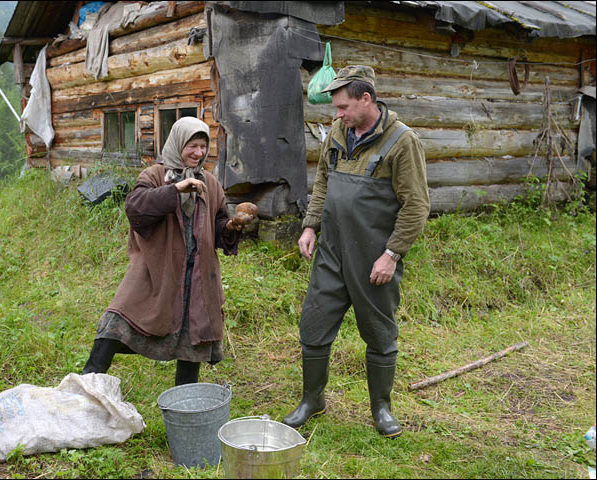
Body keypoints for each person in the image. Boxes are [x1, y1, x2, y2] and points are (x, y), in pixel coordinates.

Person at [282, 66, 430, 438]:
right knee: (313, 325)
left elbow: (416, 205)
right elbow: (323, 179)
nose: (338, 114)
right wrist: (310, 225)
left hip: (373, 258)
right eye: (336, 108)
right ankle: (311, 400)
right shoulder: (338, 132)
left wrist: (392, 254)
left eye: (344, 106)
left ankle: (382, 409)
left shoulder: (400, 141)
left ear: (367, 99)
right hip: (331, 252)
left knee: (380, 333)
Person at [81, 117, 255, 386]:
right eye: (192, 146)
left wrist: (232, 225)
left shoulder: (210, 183)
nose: (198, 153)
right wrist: (174, 189)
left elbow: (217, 227)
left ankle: (182, 405)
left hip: (196, 275)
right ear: (177, 143)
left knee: (192, 336)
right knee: (115, 322)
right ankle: (85, 388)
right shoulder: (154, 176)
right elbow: (135, 209)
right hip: (155, 269)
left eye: (202, 147)